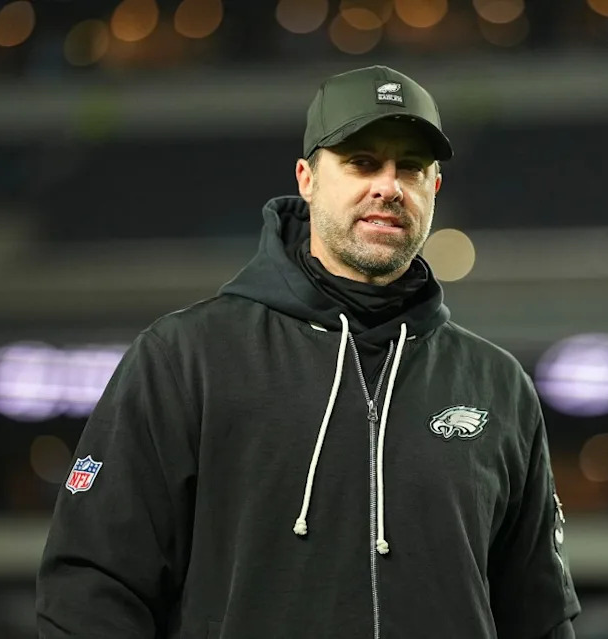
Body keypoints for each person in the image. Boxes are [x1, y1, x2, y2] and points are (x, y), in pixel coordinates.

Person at [36, 65, 580, 639]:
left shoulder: (497, 386)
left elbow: (540, 616)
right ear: (307, 178)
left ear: (434, 188)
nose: (389, 187)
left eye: (411, 168)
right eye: (362, 162)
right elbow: (91, 588)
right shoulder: (186, 359)